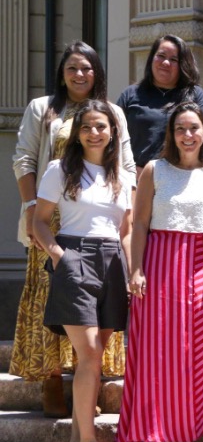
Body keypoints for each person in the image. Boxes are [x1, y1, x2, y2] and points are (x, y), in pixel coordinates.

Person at [11, 41, 134, 418]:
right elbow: (24, 159)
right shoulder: (42, 108)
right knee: (51, 297)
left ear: (97, 73)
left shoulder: (112, 112)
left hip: (101, 218)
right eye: (72, 68)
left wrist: (129, 214)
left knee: (94, 306)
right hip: (51, 216)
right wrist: (31, 208)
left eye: (87, 68)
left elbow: (127, 165)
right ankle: (51, 379)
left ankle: (85, 379)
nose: (80, 75)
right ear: (62, 74)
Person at [117, 102, 203, 442]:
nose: (187, 135)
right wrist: (136, 270)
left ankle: (190, 418)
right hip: (159, 265)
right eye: (180, 128)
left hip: (198, 267)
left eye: (194, 128)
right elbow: (140, 224)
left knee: (193, 348)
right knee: (158, 352)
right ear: (171, 134)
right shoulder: (155, 170)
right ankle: (162, 434)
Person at [33, 101, 133, 442]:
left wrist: (132, 271)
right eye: (87, 126)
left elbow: (127, 230)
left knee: (93, 356)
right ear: (77, 133)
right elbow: (39, 221)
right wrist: (60, 256)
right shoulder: (59, 170)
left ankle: (76, 436)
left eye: (101, 126)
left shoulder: (123, 176)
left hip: (113, 262)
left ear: (112, 132)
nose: (94, 133)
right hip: (74, 255)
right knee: (90, 353)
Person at [117, 34, 203, 173]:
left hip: (180, 176)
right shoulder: (130, 94)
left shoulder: (195, 94)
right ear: (152, 58)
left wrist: (183, 167)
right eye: (161, 56)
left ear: (183, 65)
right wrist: (131, 170)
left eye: (173, 59)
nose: (165, 63)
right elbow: (114, 136)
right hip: (135, 177)